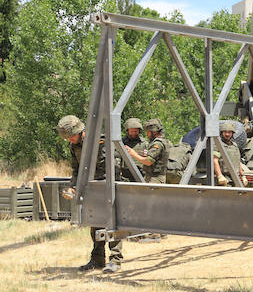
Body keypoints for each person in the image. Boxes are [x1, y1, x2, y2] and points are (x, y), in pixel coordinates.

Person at [56, 115, 124, 273]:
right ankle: (97, 259)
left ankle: (115, 260)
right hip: (92, 189)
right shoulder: (74, 146)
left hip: (109, 186)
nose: (70, 140)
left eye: (71, 136)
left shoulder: (100, 142)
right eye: (67, 138)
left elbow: (114, 165)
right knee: (95, 224)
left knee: (112, 223)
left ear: (80, 132)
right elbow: (77, 170)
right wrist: (72, 187)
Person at [124, 119, 170, 183]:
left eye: (148, 132)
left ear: (154, 132)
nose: (147, 135)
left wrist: (133, 154)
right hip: (151, 178)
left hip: (154, 179)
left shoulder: (157, 144)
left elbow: (148, 161)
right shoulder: (161, 142)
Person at [213, 120, 251, 187]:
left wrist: (242, 176)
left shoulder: (234, 145)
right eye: (225, 132)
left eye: (229, 132)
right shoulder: (218, 145)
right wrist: (219, 176)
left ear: (232, 133)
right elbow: (215, 161)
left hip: (236, 178)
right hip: (225, 178)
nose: (227, 134)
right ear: (221, 133)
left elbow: (238, 161)